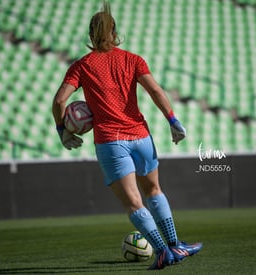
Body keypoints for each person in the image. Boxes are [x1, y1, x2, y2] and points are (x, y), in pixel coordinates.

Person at [52, 1, 202, 270]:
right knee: (154, 191)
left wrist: (62, 131)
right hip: (141, 136)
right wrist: (172, 120)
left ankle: (162, 252)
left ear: (90, 35)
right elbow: (155, 91)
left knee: (134, 203)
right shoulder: (133, 59)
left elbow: (60, 101)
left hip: (111, 142)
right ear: (115, 32)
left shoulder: (82, 66)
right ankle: (175, 244)